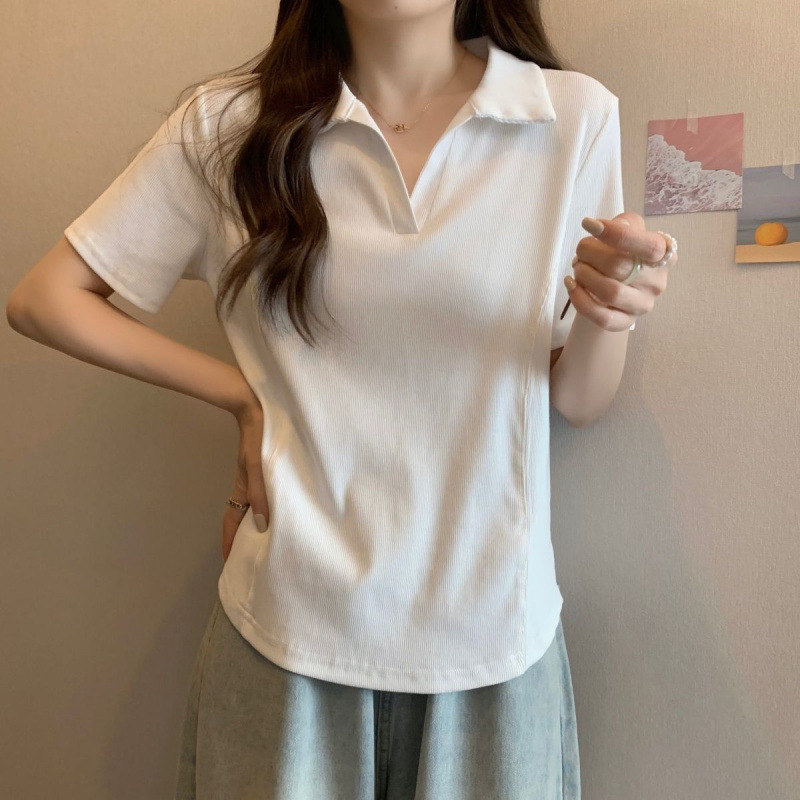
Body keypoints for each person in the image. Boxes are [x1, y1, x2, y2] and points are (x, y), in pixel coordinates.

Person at [6, 1, 677, 798]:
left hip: (493, 637)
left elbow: (577, 400)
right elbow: (46, 299)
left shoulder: (568, 117)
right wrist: (241, 396)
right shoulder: (231, 125)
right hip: (287, 628)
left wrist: (611, 310)